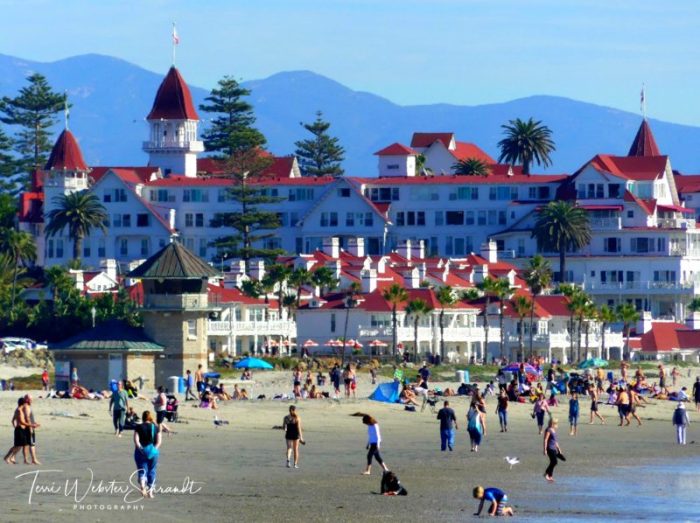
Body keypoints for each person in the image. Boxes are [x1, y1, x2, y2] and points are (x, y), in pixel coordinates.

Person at [133, 410, 162, 498]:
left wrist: (141, 449)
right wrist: (154, 450)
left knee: (142, 470)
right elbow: (159, 442)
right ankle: (150, 492)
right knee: (152, 470)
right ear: (150, 417)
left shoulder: (138, 427)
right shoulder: (155, 427)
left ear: (142, 417)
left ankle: (142, 485)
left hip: (141, 451)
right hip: (153, 452)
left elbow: (136, 440)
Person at [4, 398, 28, 464]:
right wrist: (31, 425)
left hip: (20, 429)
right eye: (25, 403)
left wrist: (16, 427)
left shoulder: (18, 410)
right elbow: (21, 422)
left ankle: (12, 457)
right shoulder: (19, 410)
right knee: (17, 446)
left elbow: (12, 420)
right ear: (23, 403)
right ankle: (6, 457)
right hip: (20, 429)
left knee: (21, 445)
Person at [21, 395, 40, 465]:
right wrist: (31, 427)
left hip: (29, 427)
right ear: (26, 399)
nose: (32, 400)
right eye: (30, 399)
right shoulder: (26, 407)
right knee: (31, 444)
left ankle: (26, 460)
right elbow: (27, 418)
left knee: (27, 444)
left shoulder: (27, 406)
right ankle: (33, 459)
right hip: (28, 428)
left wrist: (34, 423)